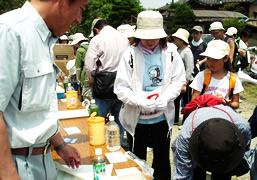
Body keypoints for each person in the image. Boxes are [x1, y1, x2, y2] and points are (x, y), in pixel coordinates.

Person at [0, 0, 88, 179]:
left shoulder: (45, 38)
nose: (79, 19)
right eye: (80, 9)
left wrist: (60, 145)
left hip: (43, 160)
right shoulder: (10, 31)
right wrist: (8, 173)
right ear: (63, 3)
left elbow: (38, 109)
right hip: (16, 164)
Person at [114, 10, 186, 180]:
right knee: (137, 160)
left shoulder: (171, 53)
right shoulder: (130, 54)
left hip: (161, 118)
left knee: (161, 159)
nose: (150, 40)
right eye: (146, 37)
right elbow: (121, 87)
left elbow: (178, 80)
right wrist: (138, 100)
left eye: (154, 37)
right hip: (137, 119)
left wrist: (166, 97)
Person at [171, 96, 251, 180]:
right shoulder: (186, 137)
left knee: (223, 175)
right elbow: (182, 175)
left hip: (226, 154)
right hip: (199, 148)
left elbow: (244, 148)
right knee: (197, 174)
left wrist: (238, 163)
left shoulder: (242, 126)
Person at [85, 19, 129, 147]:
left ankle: (98, 147)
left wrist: (92, 79)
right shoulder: (124, 39)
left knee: (98, 120)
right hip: (121, 82)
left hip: (103, 84)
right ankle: (117, 147)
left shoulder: (97, 39)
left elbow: (89, 65)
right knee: (119, 122)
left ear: (96, 30)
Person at [190, 40, 243, 110]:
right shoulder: (202, 76)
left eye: (215, 59)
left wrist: (228, 104)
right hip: (204, 114)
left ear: (226, 59)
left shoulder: (233, 79)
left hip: (224, 115)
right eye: (208, 59)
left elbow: (236, 103)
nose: (211, 63)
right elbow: (194, 101)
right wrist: (212, 99)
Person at [172, 28, 194, 123]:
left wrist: (186, 83)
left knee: (186, 102)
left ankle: (186, 121)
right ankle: (175, 119)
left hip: (186, 81)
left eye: (176, 38)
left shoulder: (187, 52)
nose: (174, 40)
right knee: (175, 101)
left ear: (182, 40)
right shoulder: (177, 50)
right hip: (177, 80)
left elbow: (189, 68)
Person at [71, 33, 92, 102]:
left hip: (86, 78)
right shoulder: (92, 46)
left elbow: (78, 68)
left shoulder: (80, 50)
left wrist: (78, 80)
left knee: (87, 101)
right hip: (96, 78)